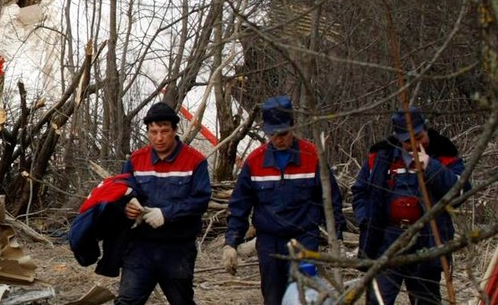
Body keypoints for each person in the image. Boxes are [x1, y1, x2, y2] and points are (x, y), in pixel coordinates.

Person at [223, 95, 347, 305]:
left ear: (292, 126)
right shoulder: (254, 161)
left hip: (304, 239)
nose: (279, 139)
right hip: (269, 242)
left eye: (283, 133)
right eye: (273, 134)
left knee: (304, 297)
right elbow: (240, 205)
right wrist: (231, 243)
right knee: (272, 297)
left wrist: (336, 236)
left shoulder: (312, 157)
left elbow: (331, 198)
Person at [352, 106, 465, 305]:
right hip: (387, 239)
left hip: (427, 240)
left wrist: (432, 167)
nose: (413, 144)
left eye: (419, 137)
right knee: (378, 299)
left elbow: (460, 192)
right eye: (407, 141)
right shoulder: (379, 157)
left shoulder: (445, 155)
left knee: (426, 300)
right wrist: (365, 220)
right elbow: (360, 191)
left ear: (426, 129)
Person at [114, 101, 212, 305]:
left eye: (164, 131)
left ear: (175, 130)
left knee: (181, 301)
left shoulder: (195, 161)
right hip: (140, 246)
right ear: (148, 132)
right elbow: (122, 191)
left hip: (177, 248)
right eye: (153, 131)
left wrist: (167, 214)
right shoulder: (136, 160)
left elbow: (200, 201)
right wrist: (128, 207)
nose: (158, 138)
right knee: (127, 301)